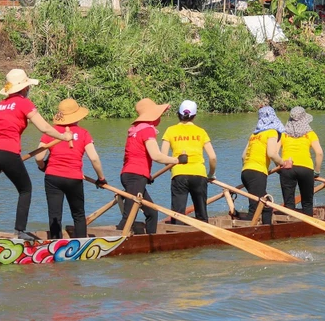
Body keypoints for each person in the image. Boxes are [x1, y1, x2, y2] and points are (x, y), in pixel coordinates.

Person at [0, 69, 73, 241]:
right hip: (7, 151)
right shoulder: (24, 103)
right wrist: (64, 137)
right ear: (24, 88)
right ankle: (20, 230)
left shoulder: (0, 105)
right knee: (25, 189)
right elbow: (44, 127)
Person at [35, 98, 105, 239]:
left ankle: (54, 243)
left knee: (54, 214)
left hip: (52, 177)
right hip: (74, 178)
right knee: (78, 214)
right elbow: (94, 158)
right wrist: (101, 178)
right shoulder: (84, 133)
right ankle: (81, 243)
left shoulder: (51, 132)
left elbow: (38, 157)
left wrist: (42, 167)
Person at [118, 98, 181, 235]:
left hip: (131, 175)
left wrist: (146, 175)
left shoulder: (134, 130)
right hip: (135, 176)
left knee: (152, 212)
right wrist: (177, 160)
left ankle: (150, 241)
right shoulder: (147, 130)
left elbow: (132, 155)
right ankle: (117, 238)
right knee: (129, 215)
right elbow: (156, 156)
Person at [160, 100, 217, 222]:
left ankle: (177, 234)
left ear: (178, 114)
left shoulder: (170, 130)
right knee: (201, 213)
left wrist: (173, 167)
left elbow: (163, 156)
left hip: (179, 174)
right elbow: (212, 157)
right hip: (199, 174)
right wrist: (211, 175)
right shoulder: (201, 132)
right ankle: (202, 234)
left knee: (178, 214)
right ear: (194, 116)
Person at [239, 106, 291, 223]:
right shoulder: (271, 132)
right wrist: (283, 163)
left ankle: (266, 228)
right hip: (257, 173)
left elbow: (243, 156)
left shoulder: (254, 135)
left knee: (266, 203)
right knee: (257, 205)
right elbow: (272, 153)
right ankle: (254, 229)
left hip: (245, 172)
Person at [279, 107, 324, 215]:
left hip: (287, 169)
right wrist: (316, 172)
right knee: (307, 202)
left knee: (289, 202)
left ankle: (290, 224)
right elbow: (319, 153)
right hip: (306, 169)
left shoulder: (283, 134)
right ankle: (307, 224)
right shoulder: (310, 134)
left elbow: (274, 153)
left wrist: (280, 167)